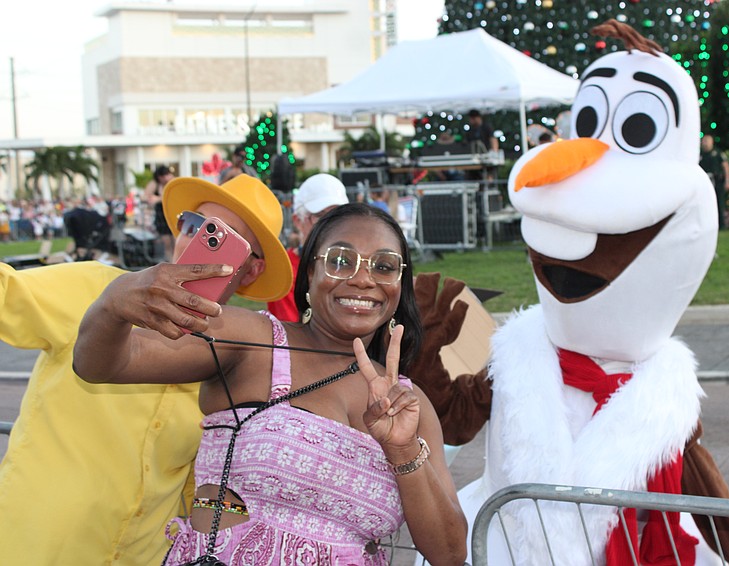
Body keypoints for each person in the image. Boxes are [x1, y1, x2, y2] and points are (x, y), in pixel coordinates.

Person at [73, 203, 468, 565]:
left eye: (384, 266)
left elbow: (448, 554)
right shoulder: (257, 341)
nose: (363, 279)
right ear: (309, 272)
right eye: (340, 261)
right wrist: (113, 303)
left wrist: (401, 450)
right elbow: (104, 363)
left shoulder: (408, 403)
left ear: (399, 284)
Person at [0, 174, 291, 565]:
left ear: (252, 270)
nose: (195, 239)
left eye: (224, 238)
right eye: (194, 224)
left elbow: (203, 487)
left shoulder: (235, 358)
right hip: (28, 546)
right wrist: (110, 307)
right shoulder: (95, 287)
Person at [267, 173, 349, 322]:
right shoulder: (284, 270)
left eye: (338, 216)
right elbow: (294, 335)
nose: (330, 224)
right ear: (298, 221)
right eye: (320, 216)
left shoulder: (353, 267)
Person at [700, 134, 729, 229]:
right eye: (704, 141)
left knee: (719, 202)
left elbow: (725, 166)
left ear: (711, 142)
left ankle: (721, 225)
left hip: (717, 181)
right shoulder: (700, 154)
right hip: (704, 181)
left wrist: (728, 180)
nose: (705, 143)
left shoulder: (717, 153)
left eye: (707, 141)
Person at [144, 165, 176, 260]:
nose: (165, 178)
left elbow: (173, 196)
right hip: (161, 217)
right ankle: (171, 263)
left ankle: (177, 262)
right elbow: (146, 196)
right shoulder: (156, 184)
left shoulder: (173, 182)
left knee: (176, 242)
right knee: (167, 243)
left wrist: (158, 199)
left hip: (173, 215)